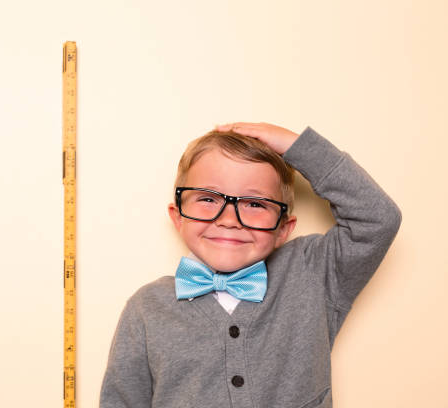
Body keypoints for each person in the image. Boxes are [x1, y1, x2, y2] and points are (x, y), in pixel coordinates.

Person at [99, 122, 401, 408]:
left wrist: (296, 146)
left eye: (255, 204)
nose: (229, 220)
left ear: (284, 228)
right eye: (207, 199)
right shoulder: (146, 308)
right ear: (178, 216)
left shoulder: (312, 273)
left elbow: (377, 220)